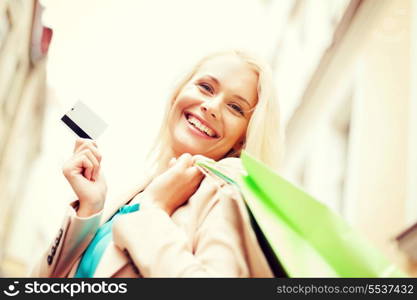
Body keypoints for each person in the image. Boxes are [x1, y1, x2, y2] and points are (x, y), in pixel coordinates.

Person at [31, 49, 282, 277]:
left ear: (242, 140)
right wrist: (89, 209)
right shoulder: (142, 187)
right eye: (205, 87)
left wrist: (154, 209)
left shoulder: (225, 195)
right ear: (178, 93)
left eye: (236, 107)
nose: (212, 107)